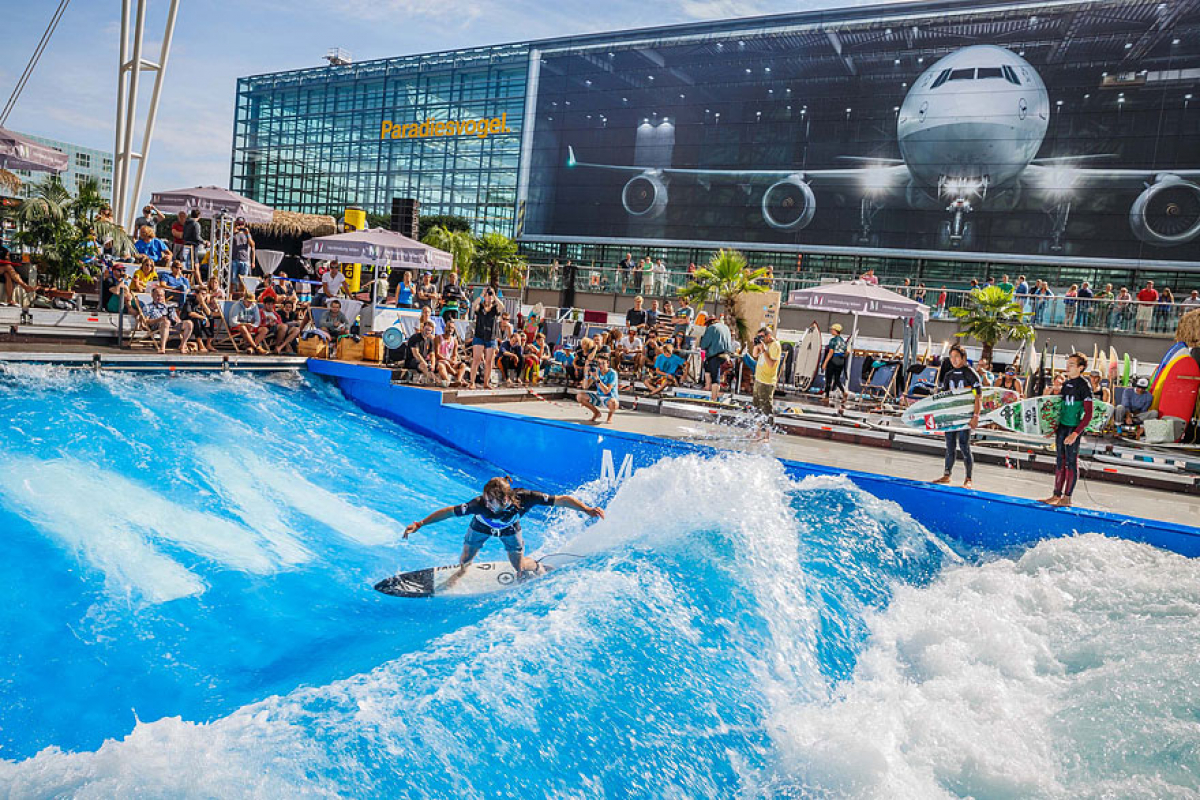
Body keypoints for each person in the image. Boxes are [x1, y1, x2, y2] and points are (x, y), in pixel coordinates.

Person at [403, 476, 604, 584]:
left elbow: (561, 500)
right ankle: (459, 575)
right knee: (465, 560)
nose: (487, 503)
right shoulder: (478, 505)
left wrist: (586, 509)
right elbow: (448, 512)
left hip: (510, 530)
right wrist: (420, 524)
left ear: (507, 499)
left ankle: (537, 565)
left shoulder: (526, 497)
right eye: (486, 498)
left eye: (492, 500)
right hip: (481, 528)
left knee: (519, 568)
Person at [1041, 352, 1094, 508]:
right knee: (1059, 462)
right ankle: (1056, 495)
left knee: (1071, 462)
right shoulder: (1066, 384)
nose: (1067, 367)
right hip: (1062, 427)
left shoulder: (1084, 386)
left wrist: (1076, 433)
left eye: (1072, 364)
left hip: (1073, 428)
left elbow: (1088, 414)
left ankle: (1067, 497)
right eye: (1067, 363)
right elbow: (1060, 409)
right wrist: (1053, 428)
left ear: (1080, 368)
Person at [931, 344, 982, 489]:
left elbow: (977, 396)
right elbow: (944, 396)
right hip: (951, 416)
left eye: (957, 357)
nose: (954, 360)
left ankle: (968, 478)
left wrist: (975, 416)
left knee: (965, 446)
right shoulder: (949, 375)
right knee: (950, 446)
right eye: (951, 357)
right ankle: (947, 475)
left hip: (965, 416)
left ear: (963, 358)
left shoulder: (970, 374)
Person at [750, 325, 782, 441]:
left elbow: (771, 364)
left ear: (769, 336)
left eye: (762, 337)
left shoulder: (775, 346)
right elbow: (754, 355)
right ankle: (757, 432)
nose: (761, 339)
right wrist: (756, 345)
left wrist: (763, 350)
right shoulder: (765, 344)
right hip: (759, 379)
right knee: (757, 407)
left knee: (767, 408)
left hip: (767, 382)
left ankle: (767, 435)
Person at [143, 286, 194, 354]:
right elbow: (146, 321)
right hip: (157, 324)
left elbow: (177, 319)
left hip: (172, 325)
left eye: (161, 296)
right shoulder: (148, 307)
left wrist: (177, 320)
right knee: (166, 322)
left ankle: (182, 345)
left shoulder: (169, 306)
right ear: (152, 295)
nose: (159, 297)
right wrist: (159, 319)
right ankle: (162, 348)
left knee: (189, 323)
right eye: (157, 295)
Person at [468, 288, 502, 389]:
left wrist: (494, 297)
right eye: (488, 295)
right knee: (476, 359)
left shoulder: (495, 308)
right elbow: (474, 305)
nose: (489, 296)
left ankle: (486, 383)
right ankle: (472, 382)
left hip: (490, 337)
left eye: (490, 295)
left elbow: (502, 306)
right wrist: (482, 295)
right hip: (479, 335)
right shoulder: (481, 307)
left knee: (489, 361)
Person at [699, 312, 735, 401]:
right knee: (707, 367)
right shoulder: (725, 327)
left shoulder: (711, 328)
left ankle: (713, 398)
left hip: (715, 355)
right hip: (726, 356)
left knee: (715, 378)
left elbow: (704, 345)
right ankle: (708, 387)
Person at [577, 357, 620, 423]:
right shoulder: (597, 371)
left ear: (608, 363)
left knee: (613, 403)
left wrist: (597, 379)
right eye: (599, 363)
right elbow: (585, 387)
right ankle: (596, 413)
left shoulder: (612, 373)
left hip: (610, 398)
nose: (600, 365)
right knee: (580, 396)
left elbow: (606, 391)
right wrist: (586, 373)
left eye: (603, 363)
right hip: (599, 397)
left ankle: (609, 417)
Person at [403, 320, 440, 384]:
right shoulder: (415, 337)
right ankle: (436, 381)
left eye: (429, 330)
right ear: (422, 328)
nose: (427, 332)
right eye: (426, 329)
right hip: (411, 361)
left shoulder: (430, 340)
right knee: (423, 365)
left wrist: (433, 365)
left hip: (423, 360)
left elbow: (432, 354)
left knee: (440, 365)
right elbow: (416, 354)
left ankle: (448, 381)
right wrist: (426, 364)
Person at [821, 323, 849, 406]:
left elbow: (831, 352)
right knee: (837, 379)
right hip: (840, 361)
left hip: (833, 360)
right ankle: (844, 392)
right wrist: (842, 357)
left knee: (828, 378)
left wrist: (825, 363)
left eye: (832, 329)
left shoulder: (833, 340)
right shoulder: (843, 341)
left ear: (835, 330)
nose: (831, 330)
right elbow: (847, 352)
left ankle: (826, 397)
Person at [230, 217, 255, 293]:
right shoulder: (232, 232)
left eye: (242, 224)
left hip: (245, 260)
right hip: (235, 259)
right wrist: (234, 231)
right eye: (238, 224)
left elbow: (252, 245)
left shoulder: (247, 233)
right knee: (232, 281)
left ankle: (241, 298)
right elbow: (226, 239)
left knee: (243, 282)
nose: (240, 226)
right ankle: (230, 298)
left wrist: (247, 235)